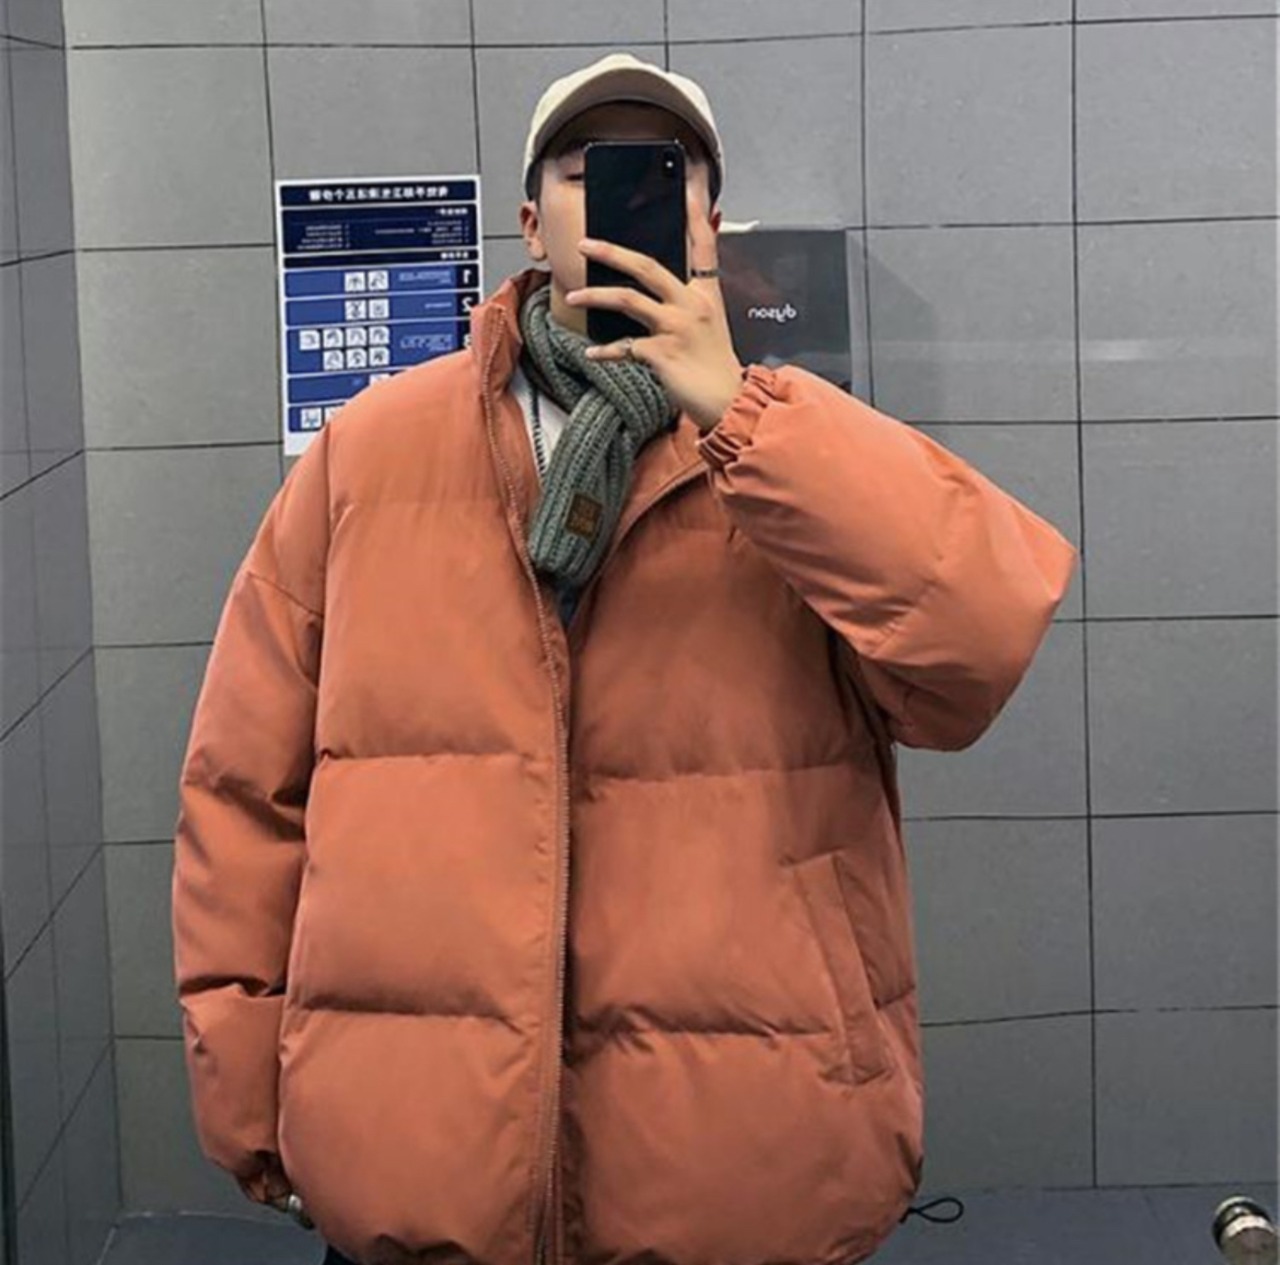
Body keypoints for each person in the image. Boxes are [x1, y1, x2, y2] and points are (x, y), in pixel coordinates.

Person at [171, 51, 1077, 1265]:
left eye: (662, 169)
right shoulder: (372, 452)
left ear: (706, 221)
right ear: (528, 221)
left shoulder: (793, 454)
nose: (618, 195)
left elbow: (975, 647)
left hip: (738, 1167)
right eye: (581, 167)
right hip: (420, 1160)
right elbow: (245, 783)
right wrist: (248, 1088)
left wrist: (740, 413)